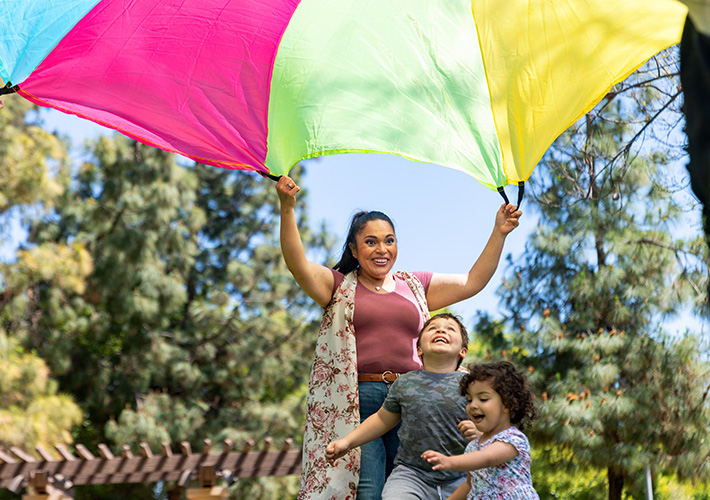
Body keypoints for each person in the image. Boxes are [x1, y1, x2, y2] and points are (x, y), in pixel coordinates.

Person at [275, 175, 522, 499]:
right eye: (371, 241)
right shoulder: (338, 286)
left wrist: (499, 233)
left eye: (389, 240)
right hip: (358, 400)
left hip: (412, 399)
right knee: (367, 488)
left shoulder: (414, 285)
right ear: (354, 248)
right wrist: (287, 209)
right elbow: (298, 265)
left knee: (410, 483)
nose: (382, 249)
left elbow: (472, 281)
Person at [326, 313, 472, 500]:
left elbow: (490, 421)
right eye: (433, 328)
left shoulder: (471, 385)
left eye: (450, 329)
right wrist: (346, 442)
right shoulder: (405, 383)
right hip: (411, 475)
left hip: (461, 474)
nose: (441, 330)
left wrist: (478, 431)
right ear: (419, 349)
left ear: (463, 351)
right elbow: (381, 419)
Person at [421, 360, 539, 500]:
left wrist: (449, 462)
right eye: (470, 400)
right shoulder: (473, 446)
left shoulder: (512, 440)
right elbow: (470, 485)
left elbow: (487, 458)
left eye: (483, 399)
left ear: (507, 404)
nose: (473, 405)